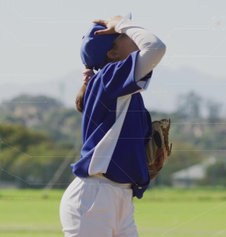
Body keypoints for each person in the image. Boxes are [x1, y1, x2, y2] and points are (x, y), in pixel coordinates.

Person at [60, 15, 166, 237]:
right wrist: (121, 23)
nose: (133, 36)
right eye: (125, 36)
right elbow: (155, 47)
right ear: (113, 54)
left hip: (119, 197)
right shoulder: (110, 76)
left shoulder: (123, 90)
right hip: (93, 199)